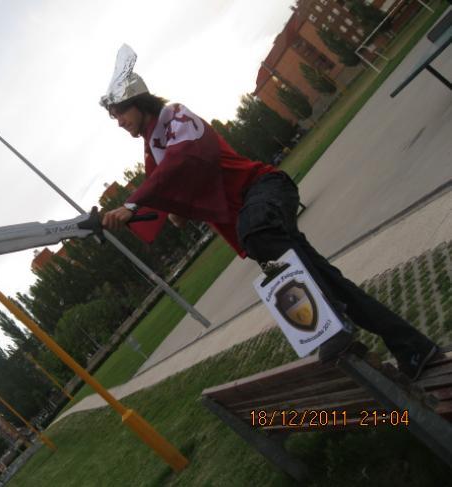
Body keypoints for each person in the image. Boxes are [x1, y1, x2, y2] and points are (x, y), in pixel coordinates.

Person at [100, 45, 439, 380]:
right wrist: (135, 215)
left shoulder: (175, 115)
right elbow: (164, 191)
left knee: (258, 233)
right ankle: (413, 348)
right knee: (334, 285)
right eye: (114, 116)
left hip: (265, 191)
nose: (118, 122)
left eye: (119, 112)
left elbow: (186, 156)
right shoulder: (152, 150)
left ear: (138, 102)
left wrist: (132, 205)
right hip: (251, 220)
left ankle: (328, 326)